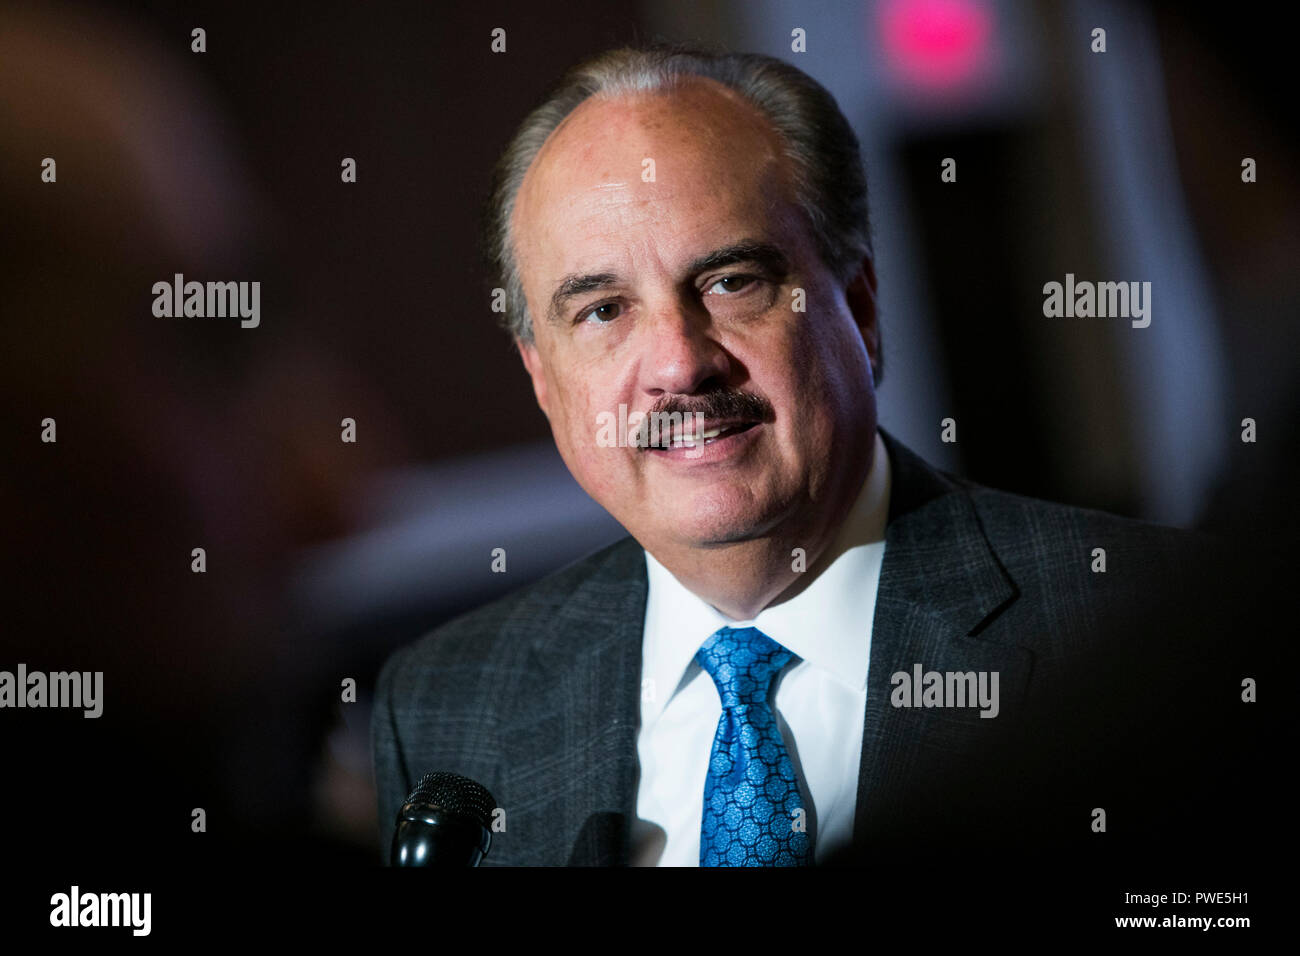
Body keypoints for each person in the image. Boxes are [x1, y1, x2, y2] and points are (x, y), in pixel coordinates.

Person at [372, 45, 1231, 867]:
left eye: (730, 281)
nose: (679, 363)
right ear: (542, 380)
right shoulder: (445, 710)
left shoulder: (1155, 626)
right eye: (602, 310)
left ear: (858, 307)